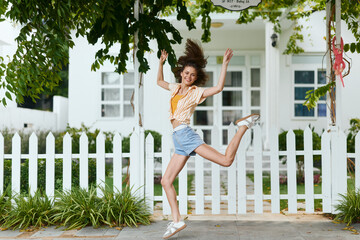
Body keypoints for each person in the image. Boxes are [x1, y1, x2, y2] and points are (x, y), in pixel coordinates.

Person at [157, 39, 260, 239]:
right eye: (186, 73)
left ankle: (242, 127)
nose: (188, 76)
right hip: (178, 139)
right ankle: (177, 220)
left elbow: (219, 87)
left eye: (192, 75)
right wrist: (161, 63)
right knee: (166, 180)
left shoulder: (196, 93)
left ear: (196, 78)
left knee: (226, 161)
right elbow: (159, 82)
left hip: (185, 135)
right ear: (181, 73)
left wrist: (225, 64)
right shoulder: (175, 88)